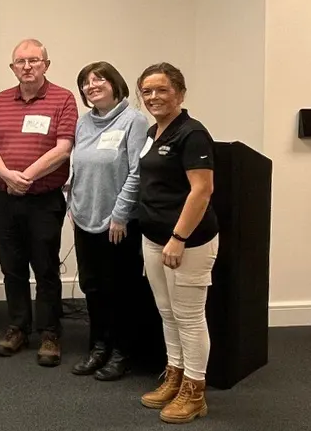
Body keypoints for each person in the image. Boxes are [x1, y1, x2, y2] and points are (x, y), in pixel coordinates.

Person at [0, 38, 78, 367]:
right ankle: (18, 327)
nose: (27, 67)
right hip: (3, 197)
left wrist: (26, 176)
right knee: (12, 268)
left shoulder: (63, 98)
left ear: (46, 65)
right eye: (20, 62)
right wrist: (7, 176)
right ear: (12, 68)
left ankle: (49, 332)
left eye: (34, 61)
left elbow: (64, 148)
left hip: (42, 199)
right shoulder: (1, 100)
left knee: (46, 268)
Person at [135, 62, 218, 424]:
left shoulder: (192, 134)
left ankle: (195, 391)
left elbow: (202, 190)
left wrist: (179, 238)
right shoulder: (155, 131)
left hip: (187, 242)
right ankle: (175, 375)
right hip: (153, 238)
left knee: (189, 316)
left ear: (180, 94)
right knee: (167, 313)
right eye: (147, 91)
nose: (154, 97)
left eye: (162, 90)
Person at [68, 62, 149, 381]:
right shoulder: (83, 122)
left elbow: (137, 172)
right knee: (93, 288)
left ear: (115, 83)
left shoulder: (134, 121)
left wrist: (120, 214)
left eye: (99, 79)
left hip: (118, 224)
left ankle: (121, 352)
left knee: (121, 289)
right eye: (85, 82)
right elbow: (78, 167)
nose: (92, 85)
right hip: (84, 220)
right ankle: (99, 347)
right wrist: (71, 203)